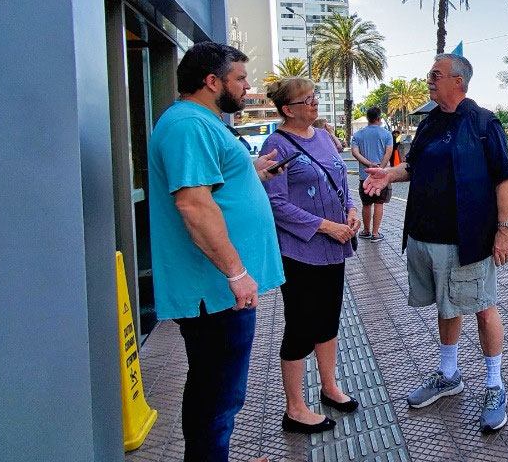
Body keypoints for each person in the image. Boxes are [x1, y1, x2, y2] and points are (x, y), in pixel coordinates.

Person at [362, 53, 508, 433]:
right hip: (425, 236)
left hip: (468, 239)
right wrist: (388, 175)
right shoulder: (430, 122)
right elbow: (413, 166)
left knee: (483, 308)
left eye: (435, 75)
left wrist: (504, 230)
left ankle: (495, 385)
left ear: (458, 81)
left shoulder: (483, 123)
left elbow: (503, 178)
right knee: (447, 306)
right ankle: (448, 375)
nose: (428, 80)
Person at [147, 41, 285, 462]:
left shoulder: (199, 122)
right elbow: (193, 204)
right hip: (215, 291)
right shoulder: (189, 125)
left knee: (217, 391)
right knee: (218, 397)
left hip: (219, 290)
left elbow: (213, 184)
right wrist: (236, 273)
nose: (247, 87)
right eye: (240, 78)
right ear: (212, 81)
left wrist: (249, 171)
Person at [259, 77, 362, 436]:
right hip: (300, 252)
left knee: (328, 320)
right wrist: (325, 226)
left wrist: (351, 211)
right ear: (288, 110)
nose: (314, 103)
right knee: (301, 327)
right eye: (306, 100)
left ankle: (329, 387)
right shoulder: (276, 144)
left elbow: (342, 182)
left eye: (314, 97)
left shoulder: (323, 136)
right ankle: (295, 409)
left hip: (334, 247)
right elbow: (275, 203)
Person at [351, 107, 394, 241]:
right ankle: (375, 233)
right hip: (382, 176)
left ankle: (366, 230)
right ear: (379, 119)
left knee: (366, 204)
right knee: (379, 204)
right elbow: (389, 152)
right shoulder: (387, 134)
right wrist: (380, 168)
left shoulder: (358, 135)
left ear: (368, 118)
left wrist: (369, 164)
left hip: (365, 176)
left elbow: (355, 153)